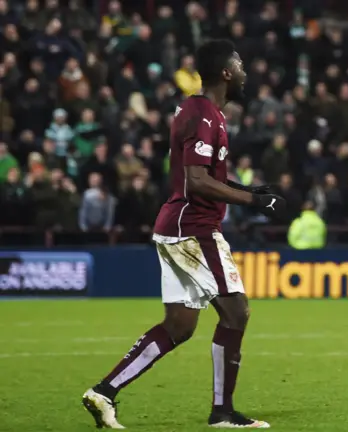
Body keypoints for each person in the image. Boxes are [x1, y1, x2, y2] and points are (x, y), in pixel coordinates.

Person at [81, 39, 286, 429]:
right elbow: (196, 180)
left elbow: (202, 175)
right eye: (239, 63)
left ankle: (104, 392)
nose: (244, 69)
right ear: (226, 72)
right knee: (237, 310)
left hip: (179, 226)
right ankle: (222, 412)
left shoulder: (204, 112)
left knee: (180, 325)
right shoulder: (203, 115)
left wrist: (251, 190)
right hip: (193, 229)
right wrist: (250, 201)